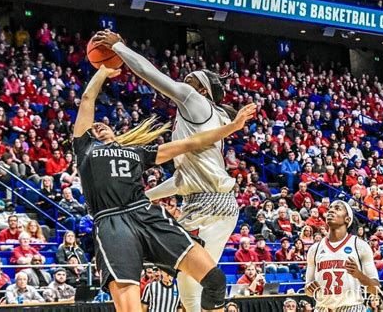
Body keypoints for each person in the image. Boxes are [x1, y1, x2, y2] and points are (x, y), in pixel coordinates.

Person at [72, 62, 255, 312]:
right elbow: (87, 98)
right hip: (113, 223)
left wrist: (233, 127)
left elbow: (193, 142)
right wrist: (103, 71)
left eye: (105, 124)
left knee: (215, 280)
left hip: (145, 213)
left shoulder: (136, 151)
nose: (99, 125)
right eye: (95, 127)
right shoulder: (85, 149)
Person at [305, 200, 380, 311]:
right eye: (330, 208)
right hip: (322, 308)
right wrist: (309, 288)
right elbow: (308, 290)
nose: (331, 211)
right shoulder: (314, 249)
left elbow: (375, 289)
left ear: (347, 219)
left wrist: (359, 275)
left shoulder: (360, 246)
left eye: (337, 209)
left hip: (351, 308)